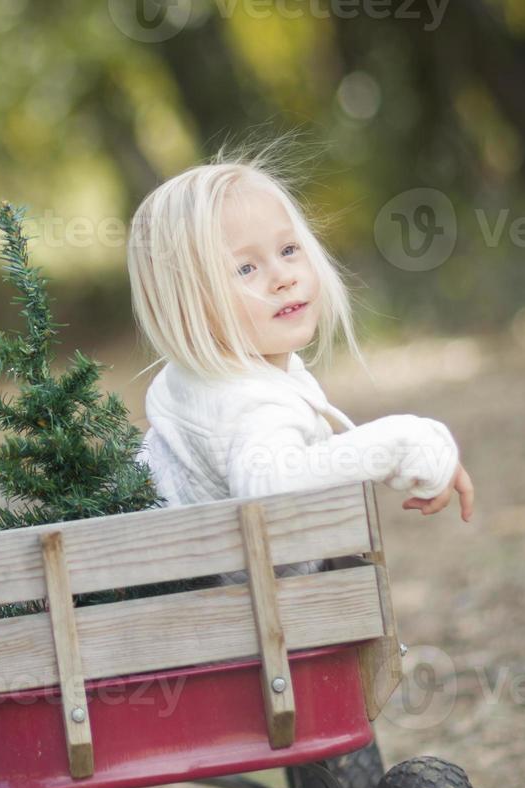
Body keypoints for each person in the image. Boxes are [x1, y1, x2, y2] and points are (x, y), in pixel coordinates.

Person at [128, 157, 475, 546]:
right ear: (186, 305)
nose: (283, 277)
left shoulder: (212, 384)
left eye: (289, 249)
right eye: (245, 269)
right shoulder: (247, 403)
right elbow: (271, 488)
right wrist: (401, 442)